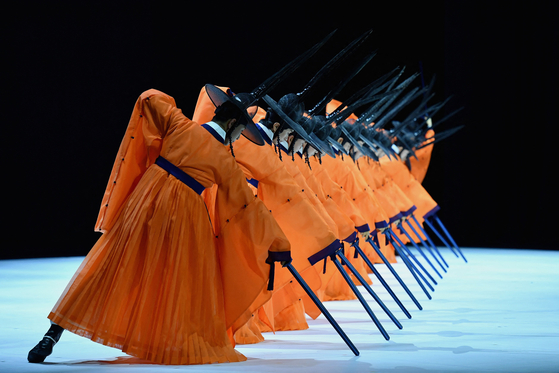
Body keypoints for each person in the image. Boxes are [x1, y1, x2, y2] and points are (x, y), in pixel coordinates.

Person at [27, 88, 291, 365]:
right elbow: (248, 206)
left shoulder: (179, 124)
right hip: (185, 214)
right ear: (233, 124)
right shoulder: (225, 159)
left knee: (109, 264)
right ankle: (169, 341)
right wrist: (277, 243)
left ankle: (51, 335)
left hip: (147, 199)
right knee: (180, 277)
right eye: (240, 131)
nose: (238, 137)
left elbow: (149, 98)